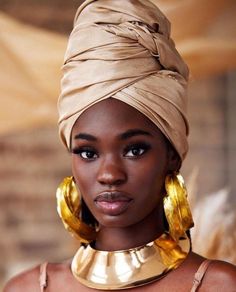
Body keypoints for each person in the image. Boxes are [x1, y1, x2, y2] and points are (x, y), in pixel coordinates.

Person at [4, 0, 236, 291]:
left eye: (134, 150)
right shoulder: (31, 288)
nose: (110, 174)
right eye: (88, 153)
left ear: (172, 155)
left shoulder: (217, 285)